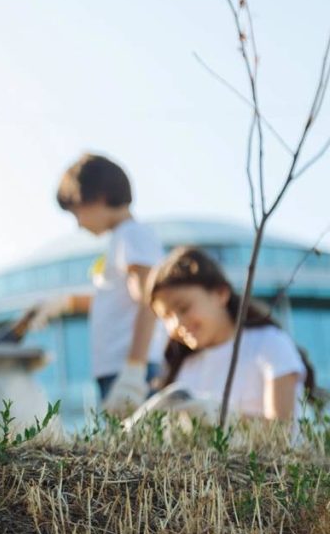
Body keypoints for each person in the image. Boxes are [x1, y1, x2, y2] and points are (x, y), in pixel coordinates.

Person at [22, 154, 166, 414]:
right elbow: (115, 298)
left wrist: (134, 370)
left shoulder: (131, 235)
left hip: (130, 368)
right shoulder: (123, 239)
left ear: (98, 198)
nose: (78, 223)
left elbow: (150, 300)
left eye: (76, 212)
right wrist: (65, 303)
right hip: (119, 367)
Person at [146, 246, 315, 423]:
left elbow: (281, 430)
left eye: (184, 308)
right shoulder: (185, 366)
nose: (177, 323)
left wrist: (219, 416)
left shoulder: (269, 343)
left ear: (221, 294)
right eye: (166, 317)